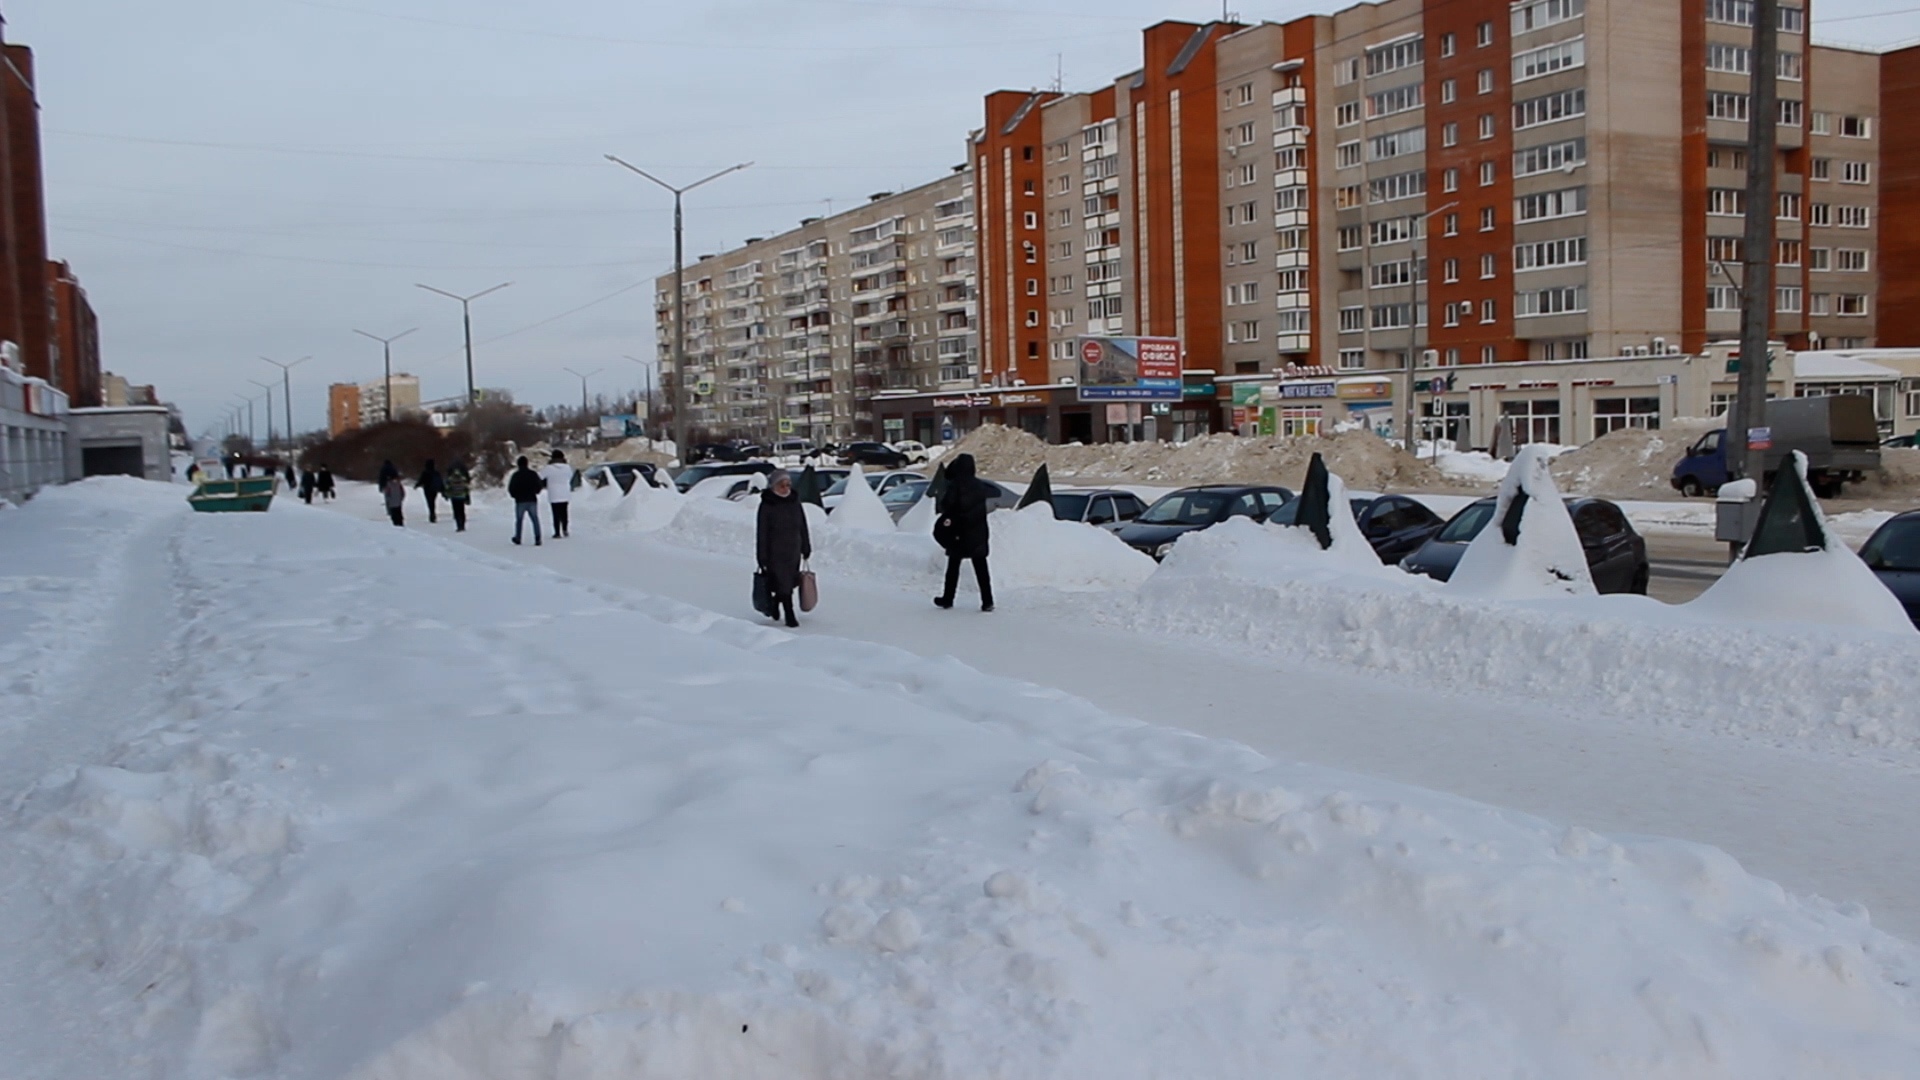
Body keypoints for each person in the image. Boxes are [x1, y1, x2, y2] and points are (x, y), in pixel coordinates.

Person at [933, 452, 994, 612]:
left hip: (959, 532)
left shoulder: (955, 485)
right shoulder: (980, 485)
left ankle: (948, 598)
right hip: (978, 532)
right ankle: (987, 601)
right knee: (981, 569)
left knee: (953, 568)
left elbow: (947, 505)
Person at [755, 469, 811, 628]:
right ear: (773, 486)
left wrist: (806, 546)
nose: (786, 488)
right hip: (775, 552)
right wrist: (761, 556)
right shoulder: (767, 505)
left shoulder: (794, 502)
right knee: (782, 582)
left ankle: (775, 603)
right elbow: (762, 532)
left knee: (790, 582)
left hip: (793, 550)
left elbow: (802, 525)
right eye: (781, 485)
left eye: (788, 485)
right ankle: (789, 614)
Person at [507, 455, 544, 546]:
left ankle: (518, 538)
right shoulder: (533, 474)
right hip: (532, 499)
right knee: (535, 519)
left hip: (520, 500)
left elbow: (511, 488)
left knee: (519, 520)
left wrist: (514, 496)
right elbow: (539, 485)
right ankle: (537, 538)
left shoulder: (516, 475)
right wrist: (536, 492)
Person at [540, 449, 575, 539]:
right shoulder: (567, 467)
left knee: (556, 514)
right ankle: (565, 529)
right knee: (564, 513)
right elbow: (570, 477)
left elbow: (540, 476)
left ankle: (557, 532)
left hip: (554, 493)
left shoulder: (549, 468)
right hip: (565, 493)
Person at [444, 459, 473, 533]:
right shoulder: (463, 479)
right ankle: (462, 524)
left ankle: (458, 525)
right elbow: (466, 488)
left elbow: (448, 488)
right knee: (462, 510)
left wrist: (447, 494)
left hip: (454, 497)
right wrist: (467, 496)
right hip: (462, 496)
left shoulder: (450, 479)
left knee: (456, 511)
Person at [417, 459, 445, 524]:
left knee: (430, 502)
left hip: (427, 489)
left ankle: (432, 514)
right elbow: (440, 481)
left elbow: (421, 480)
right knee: (433, 501)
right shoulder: (436, 472)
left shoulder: (425, 472)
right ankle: (433, 513)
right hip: (434, 489)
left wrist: (417, 485)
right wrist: (442, 489)